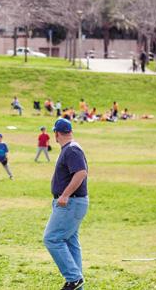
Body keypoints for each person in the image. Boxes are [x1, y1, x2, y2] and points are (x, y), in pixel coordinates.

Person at [43, 118, 89, 290]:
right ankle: (78, 284)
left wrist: (64, 195)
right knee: (70, 242)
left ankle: (74, 278)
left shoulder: (71, 149)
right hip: (73, 202)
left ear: (56, 133)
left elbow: (81, 173)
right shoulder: (71, 148)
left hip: (71, 202)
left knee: (52, 238)